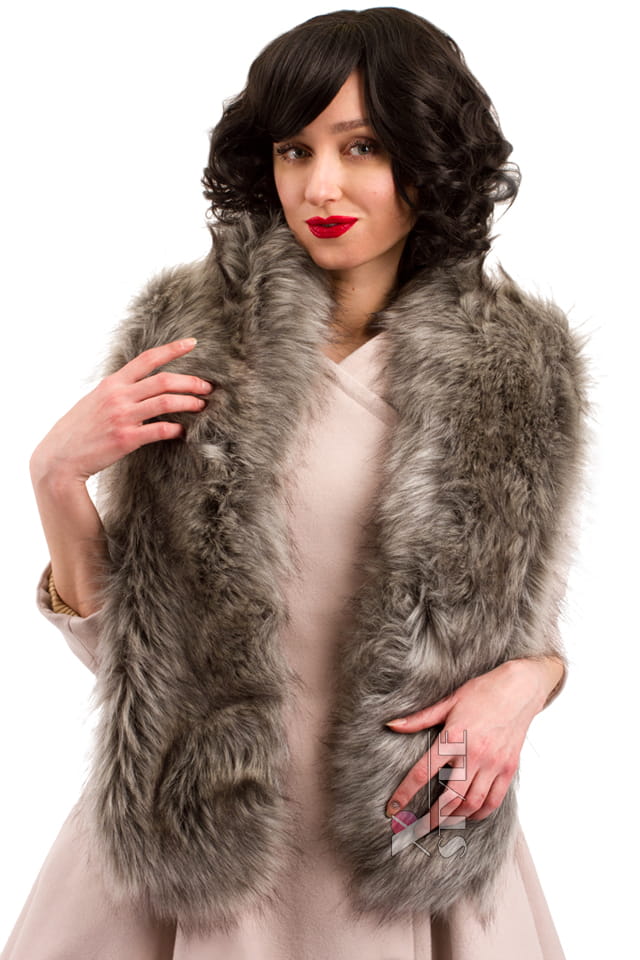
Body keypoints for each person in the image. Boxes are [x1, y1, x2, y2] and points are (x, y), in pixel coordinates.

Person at [2, 7, 589, 959]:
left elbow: (521, 625)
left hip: (407, 840)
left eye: (362, 147)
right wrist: (55, 475)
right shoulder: (187, 347)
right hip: (196, 845)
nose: (321, 186)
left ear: (428, 159)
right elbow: (136, 657)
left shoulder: (513, 370)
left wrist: (532, 681)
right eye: (294, 149)